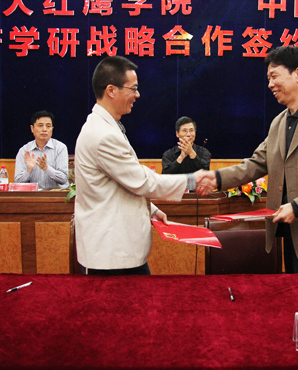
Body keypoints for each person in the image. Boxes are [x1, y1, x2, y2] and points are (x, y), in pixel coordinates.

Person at [197, 46, 298, 273]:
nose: (270, 84)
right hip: (287, 233)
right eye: (268, 79)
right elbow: (256, 163)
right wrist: (217, 178)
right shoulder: (278, 123)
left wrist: (297, 207)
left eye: (274, 76)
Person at [75, 56, 205, 276]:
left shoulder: (107, 127)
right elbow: (142, 181)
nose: (138, 95)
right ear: (111, 90)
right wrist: (193, 180)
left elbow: (119, 185)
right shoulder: (103, 135)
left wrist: (151, 210)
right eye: (133, 88)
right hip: (112, 254)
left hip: (118, 250)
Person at [14, 110, 69, 189]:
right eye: (40, 126)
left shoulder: (60, 148)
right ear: (32, 128)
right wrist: (29, 170)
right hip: (34, 195)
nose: (44, 129)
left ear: (52, 129)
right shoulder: (24, 151)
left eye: (48, 126)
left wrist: (46, 168)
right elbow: (17, 182)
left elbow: (63, 179)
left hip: (56, 194)